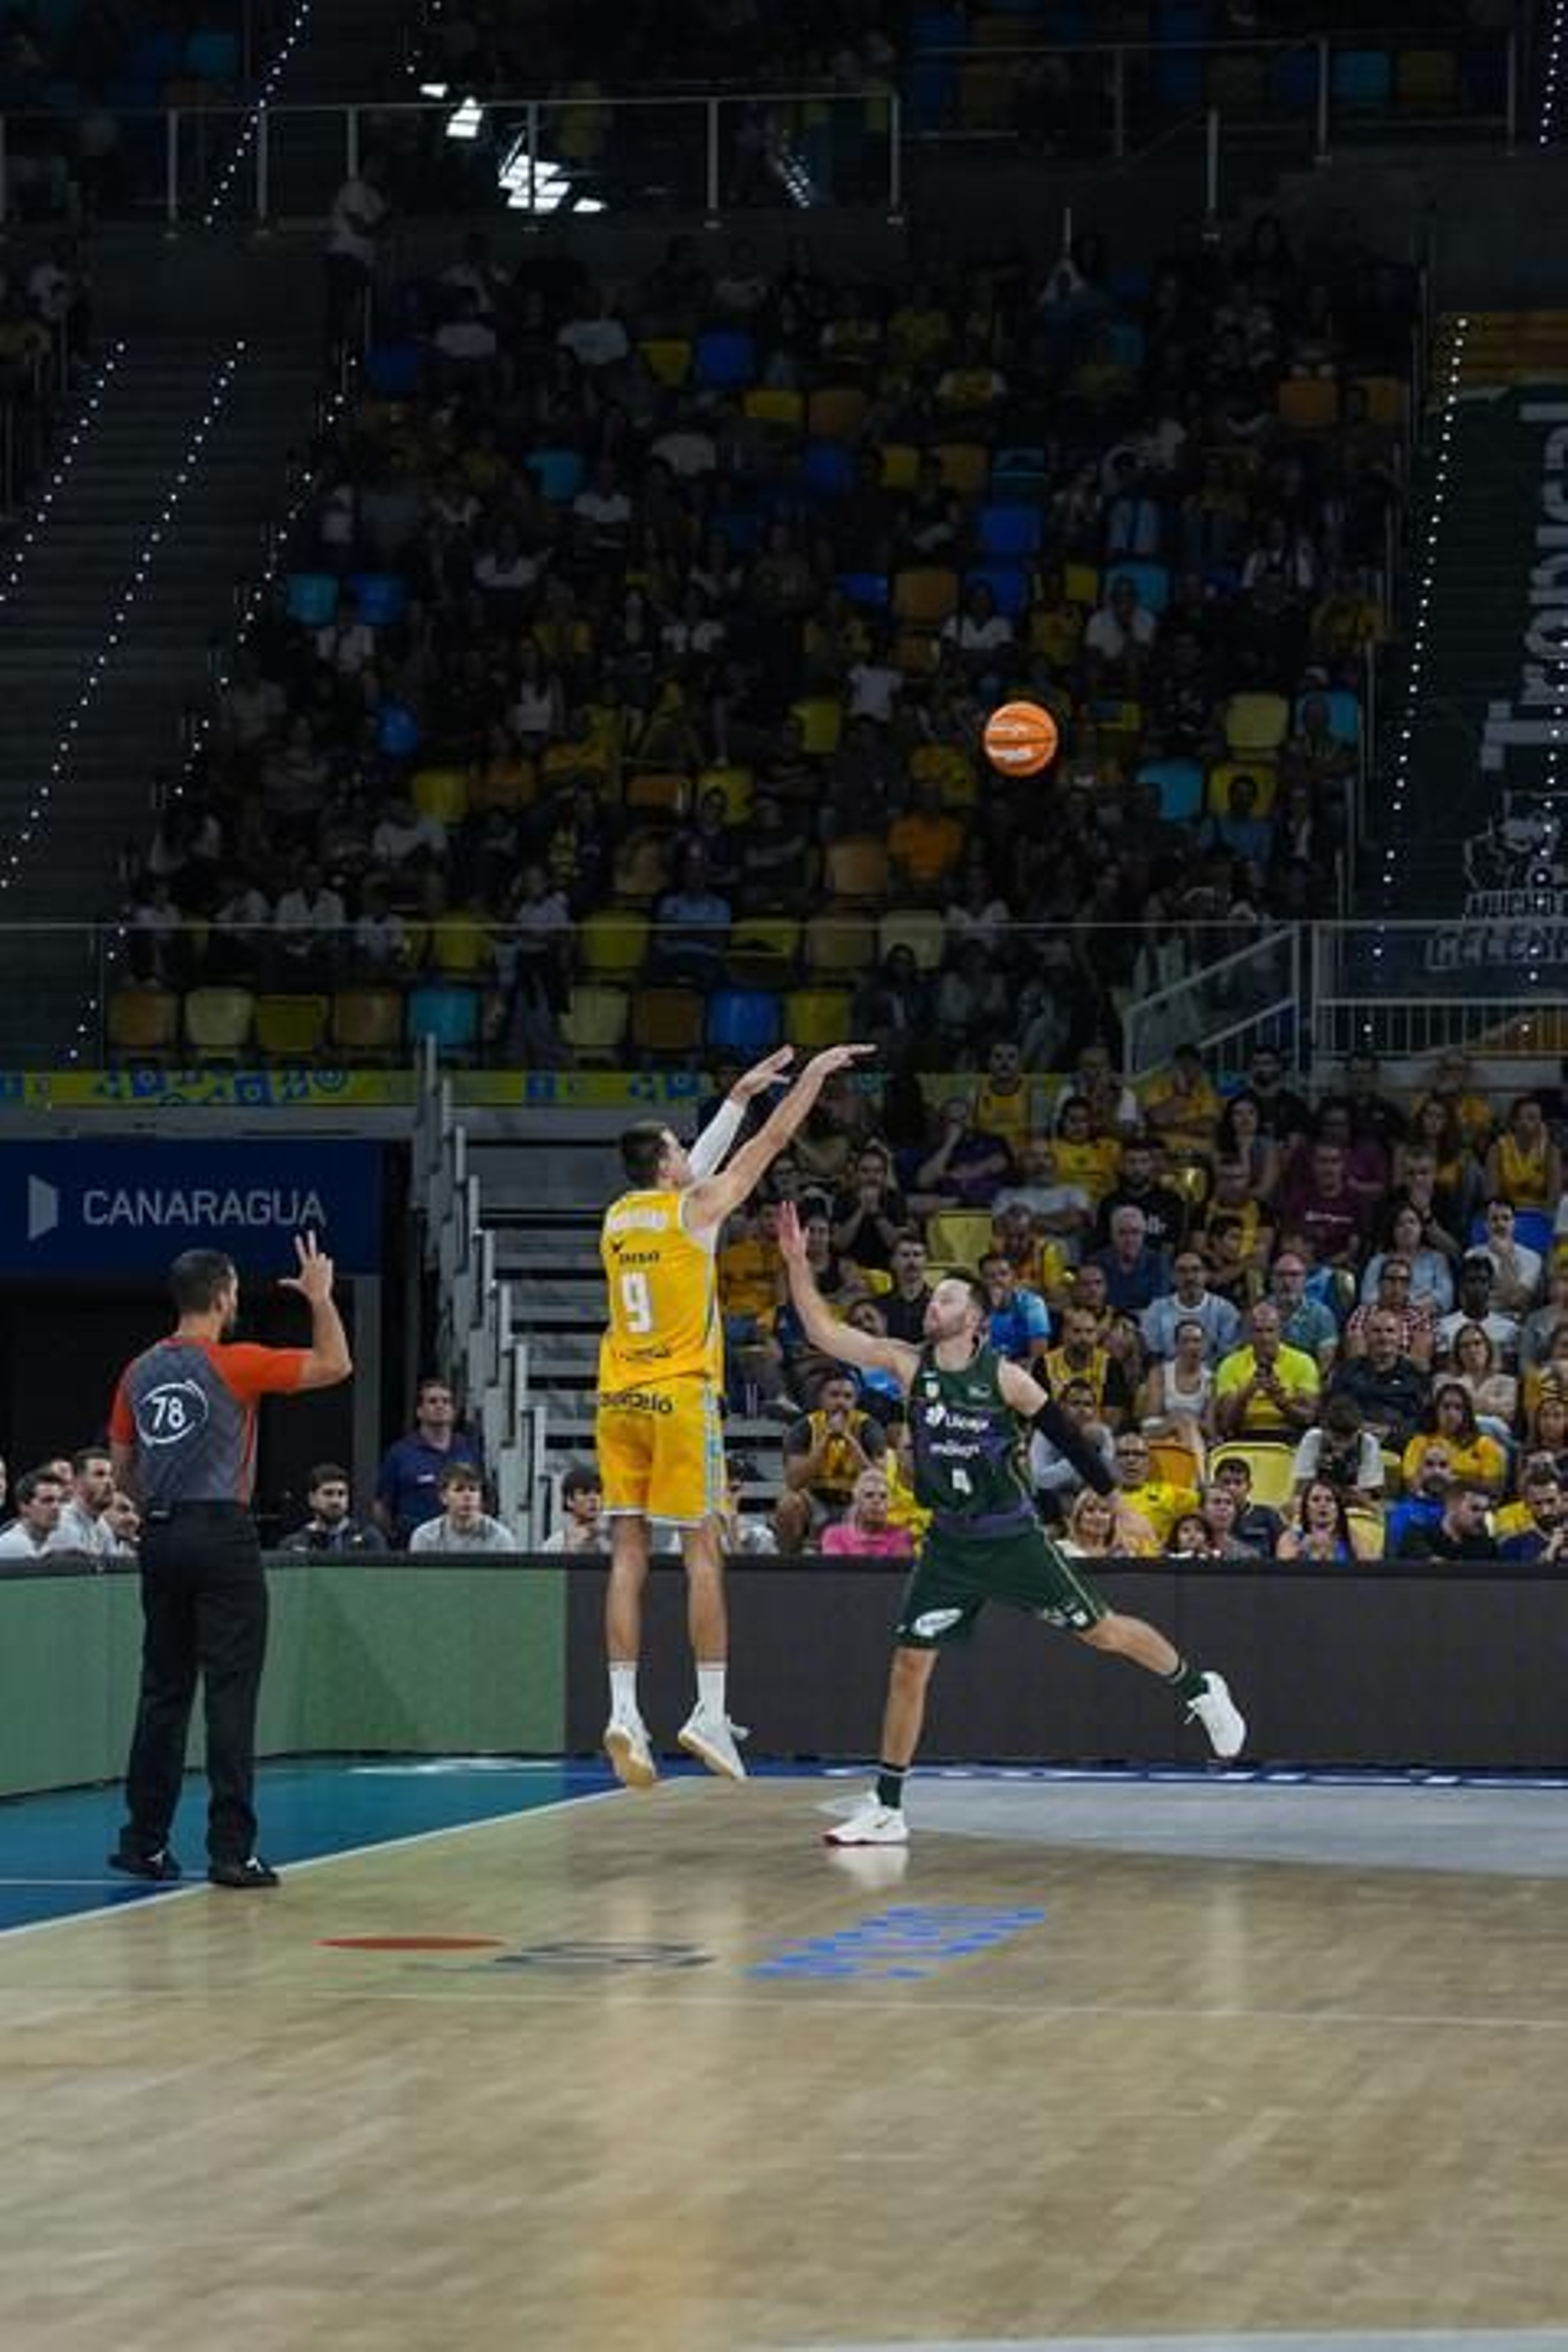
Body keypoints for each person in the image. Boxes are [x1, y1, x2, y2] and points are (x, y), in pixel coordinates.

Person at [776, 1201, 1246, 1847]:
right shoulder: (907, 1363)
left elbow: (1072, 1437)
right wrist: (796, 1263)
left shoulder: (1005, 1378)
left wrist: (1117, 1501)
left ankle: (1200, 1688)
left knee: (1102, 1632)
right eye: (933, 1297)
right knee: (909, 1665)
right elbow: (824, 1331)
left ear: (973, 1317)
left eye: (946, 1297)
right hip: (949, 1543)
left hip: (1011, 1538)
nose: (934, 1304)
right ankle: (887, 1805)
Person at [597, 1041, 872, 1790]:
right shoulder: (698, 1210)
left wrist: (738, 1096)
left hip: (618, 1398)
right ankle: (709, 1711)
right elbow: (772, 1142)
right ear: (666, 1162)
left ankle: (623, 1712)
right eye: (678, 1148)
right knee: (702, 1555)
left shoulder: (618, 1218)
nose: (689, 1154)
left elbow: (701, 1164)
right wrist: (808, 1079)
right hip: (680, 1399)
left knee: (627, 1556)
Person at [107, 1238, 352, 1889]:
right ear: (222, 1297)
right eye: (236, 1290)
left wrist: (159, 1508)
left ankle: (143, 1842)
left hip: (161, 1534)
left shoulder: (137, 1371)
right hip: (221, 1534)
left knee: (162, 1692)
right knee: (230, 1694)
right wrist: (320, 1299)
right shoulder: (235, 1363)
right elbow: (335, 1364)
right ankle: (231, 1850)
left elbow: (123, 1468)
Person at [372, 1377, 485, 1546]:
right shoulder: (400, 1453)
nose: (440, 1406)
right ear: (419, 1411)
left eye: (446, 1401)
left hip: (463, 1546)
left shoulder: (469, 1449)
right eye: (432, 1401)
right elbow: (381, 1507)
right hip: (414, 1547)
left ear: (453, 1411)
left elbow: (483, 1496)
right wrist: (396, 1540)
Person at [409, 1463, 517, 1553]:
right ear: (443, 1497)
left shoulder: (501, 1538)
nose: (467, 1496)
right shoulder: (424, 1537)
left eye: (473, 1489)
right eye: (459, 1489)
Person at [1394, 1480, 1497, 1563]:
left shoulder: (1487, 1546)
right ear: (1451, 1506)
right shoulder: (1417, 1536)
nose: (1481, 1516)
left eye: (1485, 1510)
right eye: (1474, 1509)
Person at [820, 1467, 914, 1558]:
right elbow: (837, 1568)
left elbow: (898, 1568)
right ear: (857, 1500)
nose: (876, 1501)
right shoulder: (835, 1535)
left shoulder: (900, 1536)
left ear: (889, 1503)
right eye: (869, 1495)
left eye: (883, 1496)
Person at [279, 1463, 375, 1552]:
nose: (335, 1501)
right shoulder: (293, 1544)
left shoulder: (368, 1538)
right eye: (328, 1493)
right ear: (312, 1499)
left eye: (341, 1494)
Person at [57, 1446, 118, 1559]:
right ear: (76, 1482)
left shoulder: (102, 1525)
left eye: (111, 1475)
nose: (109, 1482)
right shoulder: (61, 1522)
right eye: (99, 1475)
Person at [0, 1465, 69, 1559]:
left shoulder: (51, 1543)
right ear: (24, 1507)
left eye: (61, 1501)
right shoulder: (13, 1545)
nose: (56, 1507)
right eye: (47, 1500)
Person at [540, 1465, 608, 1554]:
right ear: (569, 1500)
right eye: (585, 1493)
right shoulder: (554, 1544)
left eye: (598, 1492)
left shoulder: (613, 1542)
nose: (593, 1498)